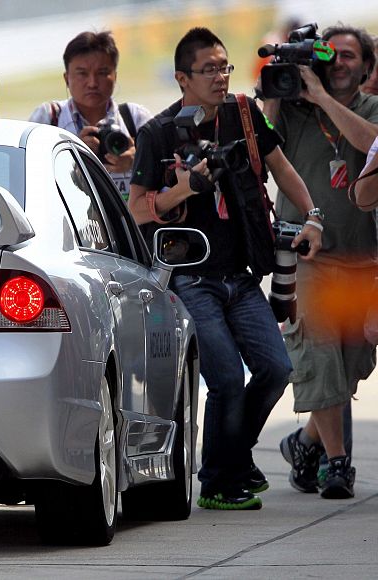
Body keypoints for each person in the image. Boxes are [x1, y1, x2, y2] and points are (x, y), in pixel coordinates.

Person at [128, 27, 322, 510]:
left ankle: (231, 458)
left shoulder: (243, 113)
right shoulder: (157, 133)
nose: (219, 77)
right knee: (227, 379)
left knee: (277, 369)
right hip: (190, 278)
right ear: (182, 78)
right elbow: (135, 209)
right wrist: (185, 189)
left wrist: (313, 215)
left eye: (224, 66)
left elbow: (281, 167)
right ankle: (218, 480)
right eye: (208, 69)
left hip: (241, 273)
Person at [263, 25, 378, 499]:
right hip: (306, 254)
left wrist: (322, 97)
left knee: (351, 365)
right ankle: (337, 465)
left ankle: (304, 443)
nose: (341, 63)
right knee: (319, 356)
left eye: (351, 56)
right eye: (334, 55)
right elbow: (261, 143)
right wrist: (277, 87)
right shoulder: (293, 110)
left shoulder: (370, 109)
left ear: (367, 67)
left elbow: (371, 141)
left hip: (361, 262)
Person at [28, 30, 152, 201]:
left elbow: (164, 176)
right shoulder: (49, 118)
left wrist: (136, 163)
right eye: (82, 73)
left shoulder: (136, 118)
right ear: (66, 78)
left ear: (115, 76)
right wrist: (73, 158)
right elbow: (28, 178)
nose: (92, 83)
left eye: (102, 73)